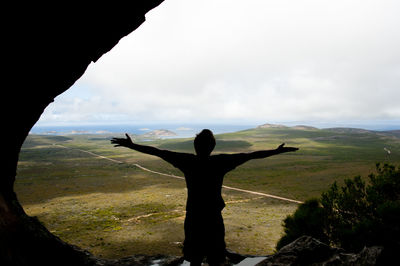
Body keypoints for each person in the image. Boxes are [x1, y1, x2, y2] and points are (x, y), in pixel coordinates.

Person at [111, 129, 298, 265]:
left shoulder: (187, 161)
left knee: (194, 259)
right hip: (213, 218)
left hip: (193, 217)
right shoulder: (221, 162)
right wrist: (276, 151)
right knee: (216, 258)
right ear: (213, 146)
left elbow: (157, 152)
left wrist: (132, 146)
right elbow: (252, 155)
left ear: (195, 146)